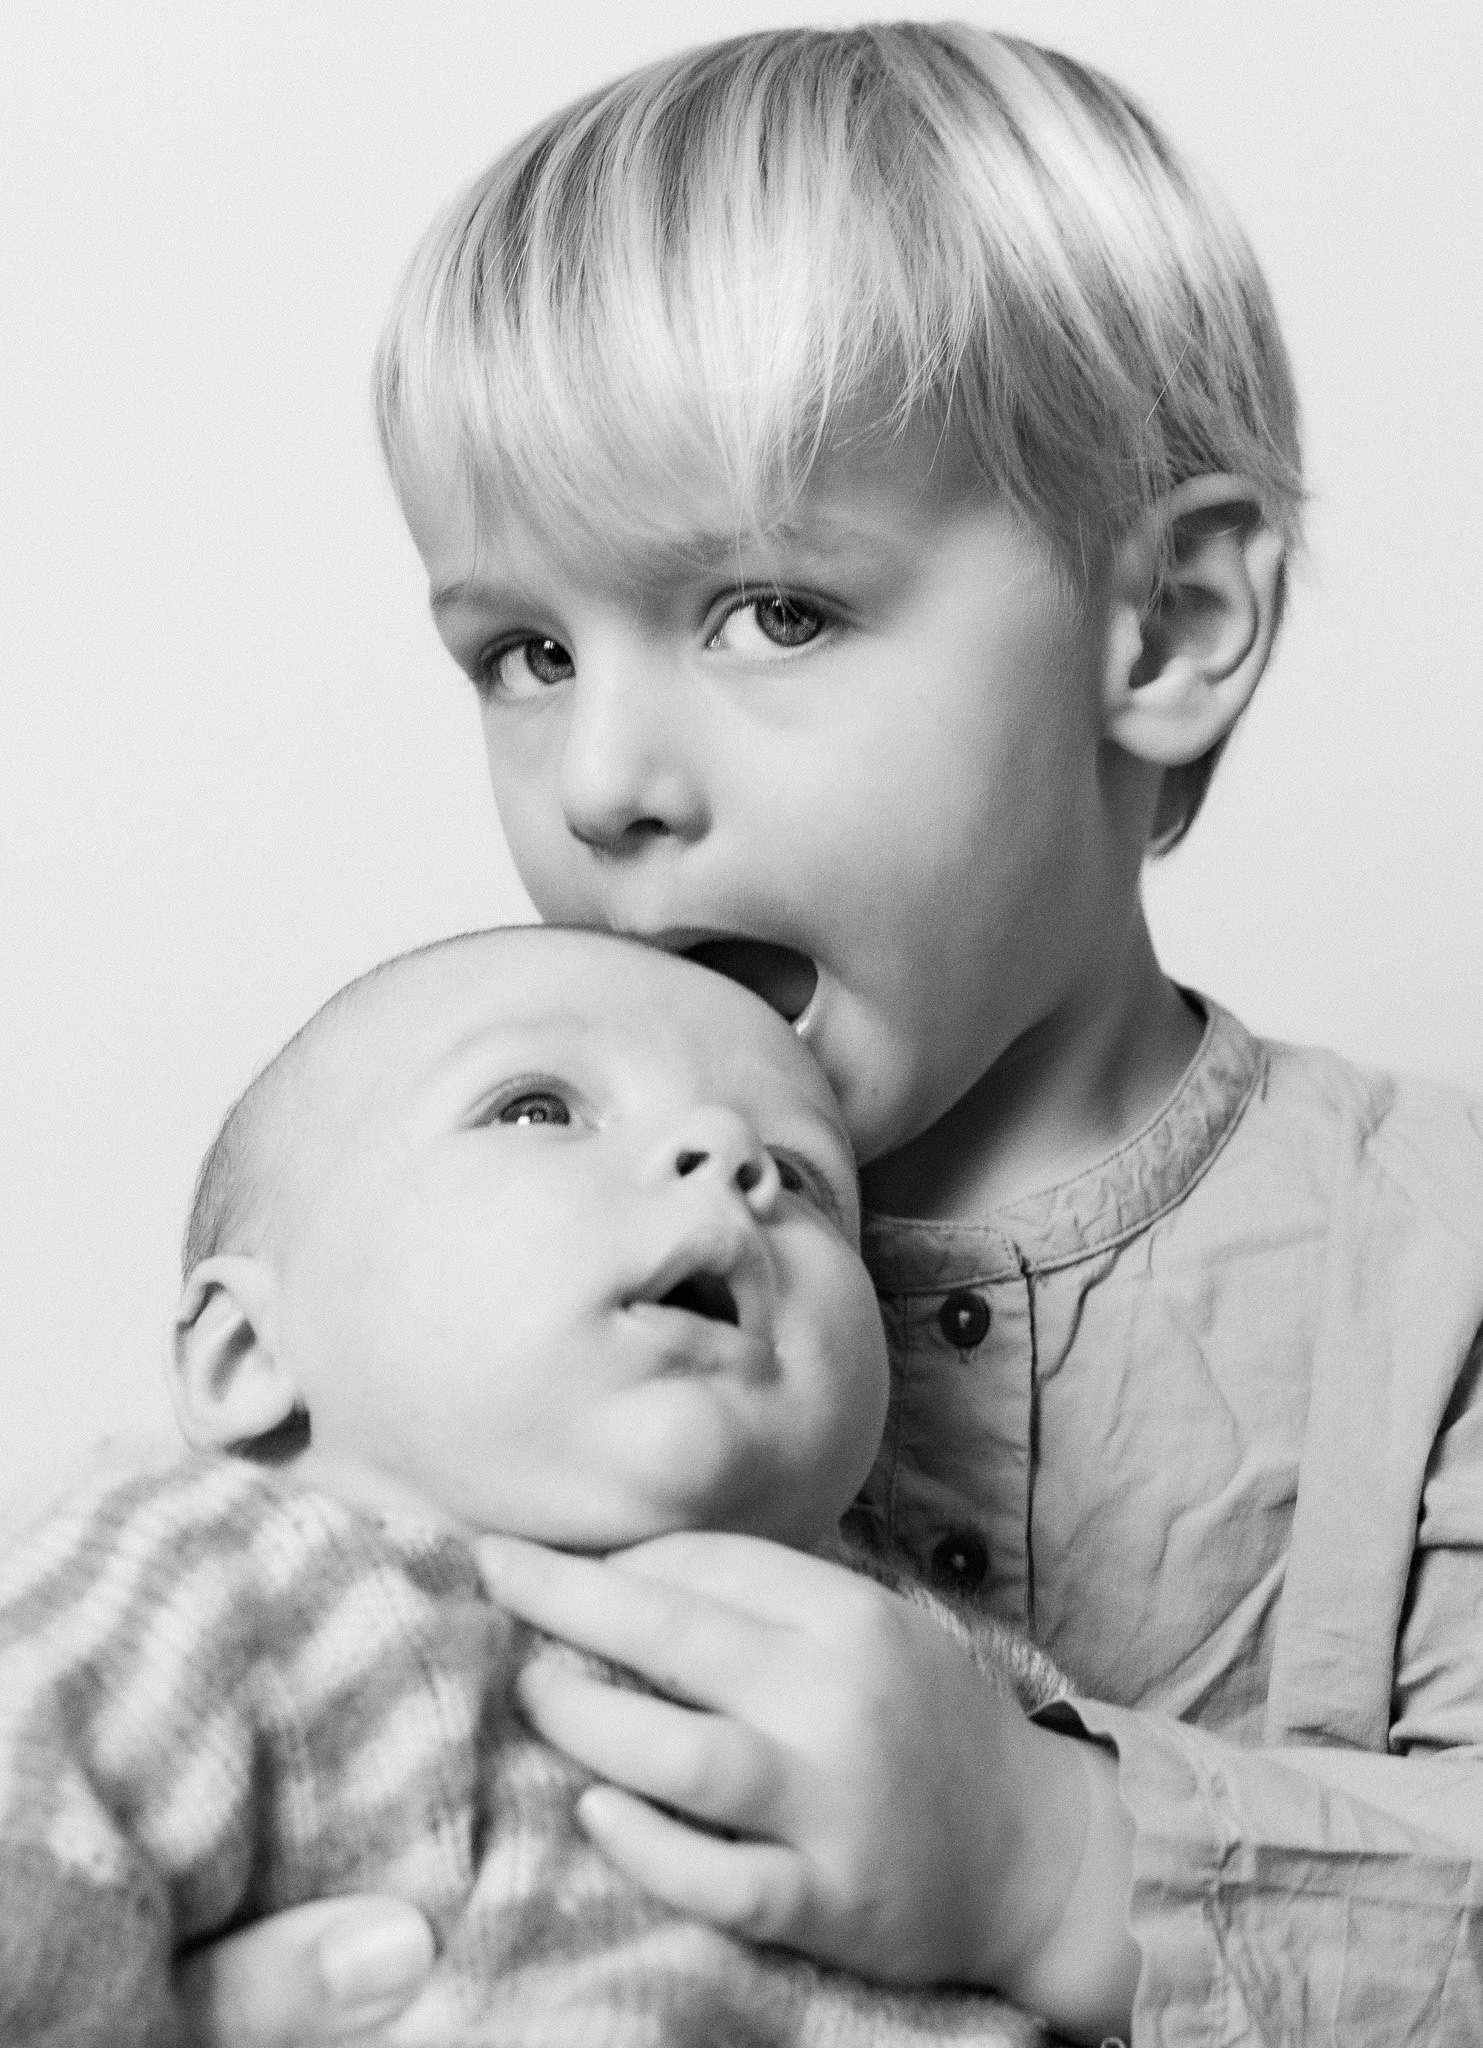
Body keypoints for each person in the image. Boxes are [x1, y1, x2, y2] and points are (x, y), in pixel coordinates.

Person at [181, 23, 1483, 2048]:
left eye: (770, 609)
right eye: (524, 652)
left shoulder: (1446, 1271)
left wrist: (1047, 1854)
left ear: (1161, 630)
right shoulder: (444, 1228)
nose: (602, 778)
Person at [0, 924, 1068, 2047]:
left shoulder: (933, 1678)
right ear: (245, 1354)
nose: (727, 1154)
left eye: (802, 1178)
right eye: (536, 1108)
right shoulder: (209, 1570)